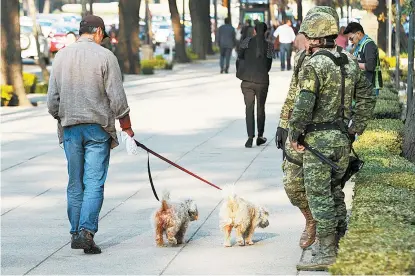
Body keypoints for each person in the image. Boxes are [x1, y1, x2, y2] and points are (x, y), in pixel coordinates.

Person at [287, 12, 376, 270]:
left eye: (308, 37)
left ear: (315, 37)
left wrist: (294, 133)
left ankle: (327, 252)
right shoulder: (348, 60)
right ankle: (339, 242)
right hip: (341, 140)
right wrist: (354, 128)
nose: (306, 42)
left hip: (317, 142)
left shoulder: (314, 64)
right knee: (336, 193)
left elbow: (304, 103)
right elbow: (368, 97)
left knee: (320, 197)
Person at [47, 15, 135, 255]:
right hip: (97, 128)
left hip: (70, 128)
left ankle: (75, 232)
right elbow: (117, 96)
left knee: (75, 182)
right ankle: (86, 232)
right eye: (102, 35)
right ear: (98, 32)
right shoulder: (106, 56)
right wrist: (126, 126)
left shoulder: (60, 56)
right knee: (94, 182)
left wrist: (62, 117)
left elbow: (52, 100)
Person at [276, 6, 341, 251]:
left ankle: (329, 236)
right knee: (292, 184)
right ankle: (309, 218)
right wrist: (284, 124)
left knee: (324, 190)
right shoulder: (302, 58)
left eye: (310, 36)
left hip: (323, 136)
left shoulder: (340, 61)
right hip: (298, 133)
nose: (306, 41)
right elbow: (293, 91)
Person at [236, 22, 273, 148]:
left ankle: (250, 137)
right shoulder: (269, 46)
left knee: (249, 108)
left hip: (247, 80)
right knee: (261, 108)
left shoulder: (246, 41)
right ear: (266, 32)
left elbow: (239, 56)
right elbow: (268, 64)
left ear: (255, 31)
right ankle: (260, 136)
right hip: (262, 80)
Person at [344, 22, 383, 95]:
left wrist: (352, 63)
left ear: (358, 34)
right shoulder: (359, 44)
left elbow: (370, 66)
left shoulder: (369, 45)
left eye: (351, 38)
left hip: (370, 86)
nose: (350, 41)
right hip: (363, 85)